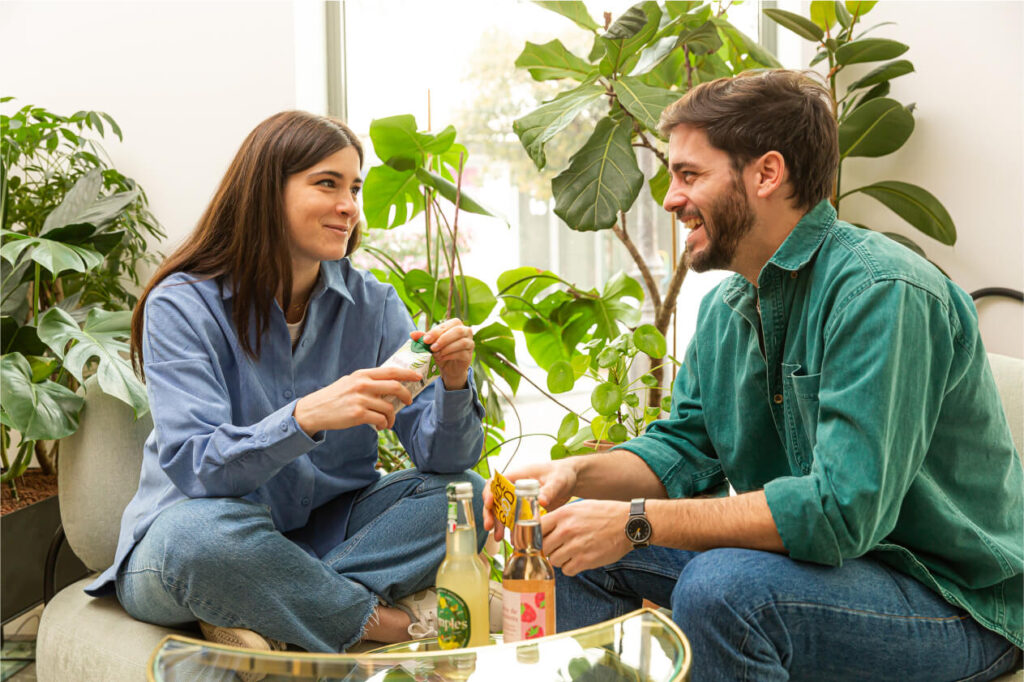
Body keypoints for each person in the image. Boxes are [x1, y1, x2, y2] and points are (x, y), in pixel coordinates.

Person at [485, 70, 1022, 680]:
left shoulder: (882, 292)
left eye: (690, 175)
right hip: (822, 575)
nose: (669, 198)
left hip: (951, 602)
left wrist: (635, 521)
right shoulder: (726, 308)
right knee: (570, 545)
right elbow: (680, 451)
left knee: (724, 589)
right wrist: (575, 475)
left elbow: (841, 512)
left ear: (767, 174)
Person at [85, 111, 487, 657]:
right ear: (266, 192)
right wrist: (307, 416)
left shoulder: (373, 304)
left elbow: (444, 461)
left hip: (326, 533)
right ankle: (390, 624)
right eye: (327, 183)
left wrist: (455, 385)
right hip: (197, 538)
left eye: (354, 188)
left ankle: (267, 608)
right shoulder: (182, 304)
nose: (349, 206)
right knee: (198, 538)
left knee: (463, 497)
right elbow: (197, 466)